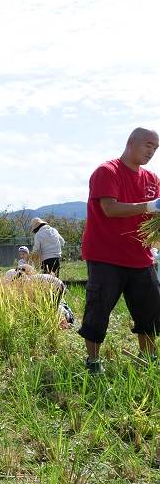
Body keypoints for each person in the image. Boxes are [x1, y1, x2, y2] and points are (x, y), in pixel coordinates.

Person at [79, 127, 160, 374]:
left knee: (150, 311)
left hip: (140, 257)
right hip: (106, 255)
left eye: (155, 149)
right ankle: (93, 362)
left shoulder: (152, 180)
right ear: (131, 142)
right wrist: (150, 205)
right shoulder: (107, 171)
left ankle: (148, 358)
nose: (152, 152)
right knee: (98, 309)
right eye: (148, 145)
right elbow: (110, 209)